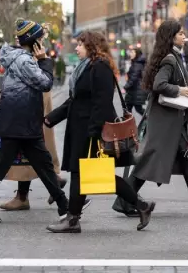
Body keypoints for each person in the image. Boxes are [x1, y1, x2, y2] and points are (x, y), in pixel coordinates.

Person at [45, 30, 153, 234]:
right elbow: (76, 100)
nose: (76, 48)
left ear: (91, 46)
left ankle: (72, 219)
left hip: (91, 131)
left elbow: (102, 103)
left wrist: (93, 133)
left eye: (80, 44)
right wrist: (51, 118)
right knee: (98, 176)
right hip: (82, 129)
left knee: (81, 174)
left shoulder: (100, 67)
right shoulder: (86, 67)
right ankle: (142, 206)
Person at [0, 19, 69, 225]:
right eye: (40, 39)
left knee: (41, 165)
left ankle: (65, 208)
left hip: (20, 121)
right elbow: (45, 83)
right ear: (34, 41)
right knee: (22, 166)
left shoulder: (16, 58)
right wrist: (44, 61)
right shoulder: (25, 61)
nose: (42, 42)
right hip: (21, 122)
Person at [116, 20, 188, 218]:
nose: (184, 37)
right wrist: (180, 89)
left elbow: (172, 80)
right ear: (171, 37)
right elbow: (159, 84)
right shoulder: (170, 59)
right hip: (165, 123)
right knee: (149, 161)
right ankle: (125, 202)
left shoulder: (174, 57)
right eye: (180, 34)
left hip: (173, 122)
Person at [123, 47, 147, 115]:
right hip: (133, 91)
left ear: (137, 54)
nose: (130, 54)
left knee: (137, 109)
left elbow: (133, 78)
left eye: (132, 52)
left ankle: (148, 119)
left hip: (136, 91)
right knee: (128, 109)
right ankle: (127, 124)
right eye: (130, 52)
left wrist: (125, 87)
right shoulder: (135, 63)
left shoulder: (137, 64)